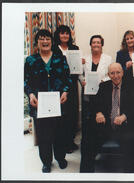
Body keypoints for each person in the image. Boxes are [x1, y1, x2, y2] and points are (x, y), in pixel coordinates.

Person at [24, 29, 72, 173]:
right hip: (39, 104)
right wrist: (31, 95)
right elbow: (26, 82)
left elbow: (67, 78)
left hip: (59, 103)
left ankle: (60, 157)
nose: (45, 42)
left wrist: (65, 91)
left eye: (48, 39)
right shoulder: (31, 60)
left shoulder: (60, 58)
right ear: (37, 42)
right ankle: (46, 162)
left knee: (60, 133)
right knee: (44, 135)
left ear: (52, 42)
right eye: (42, 39)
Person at [80, 63, 134, 173]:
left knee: (131, 143)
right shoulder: (104, 86)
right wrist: (98, 113)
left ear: (122, 73)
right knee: (87, 139)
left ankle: (129, 176)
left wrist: (124, 116)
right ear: (108, 75)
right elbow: (94, 103)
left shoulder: (131, 86)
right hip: (105, 125)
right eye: (112, 73)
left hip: (124, 126)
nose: (116, 76)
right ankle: (86, 175)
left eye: (118, 72)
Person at [79, 35, 113, 168]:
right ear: (90, 44)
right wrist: (82, 81)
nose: (96, 44)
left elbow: (111, 74)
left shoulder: (108, 58)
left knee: (99, 122)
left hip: (102, 93)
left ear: (102, 44)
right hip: (88, 94)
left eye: (98, 42)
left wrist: (102, 81)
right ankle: (90, 150)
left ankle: (97, 146)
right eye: (93, 42)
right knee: (88, 124)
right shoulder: (84, 59)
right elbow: (79, 74)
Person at [53, 25, 84, 153]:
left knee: (72, 113)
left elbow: (78, 70)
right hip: (58, 85)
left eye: (67, 34)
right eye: (62, 33)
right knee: (61, 115)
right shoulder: (54, 49)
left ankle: (70, 141)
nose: (65, 36)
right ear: (58, 35)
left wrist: (80, 63)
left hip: (72, 85)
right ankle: (61, 143)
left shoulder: (74, 48)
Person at [116, 30, 134, 120]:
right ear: (125, 41)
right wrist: (125, 67)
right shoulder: (120, 54)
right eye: (127, 39)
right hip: (126, 85)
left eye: (131, 38)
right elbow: (117, 71)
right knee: (127, 109)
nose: (129, 40)